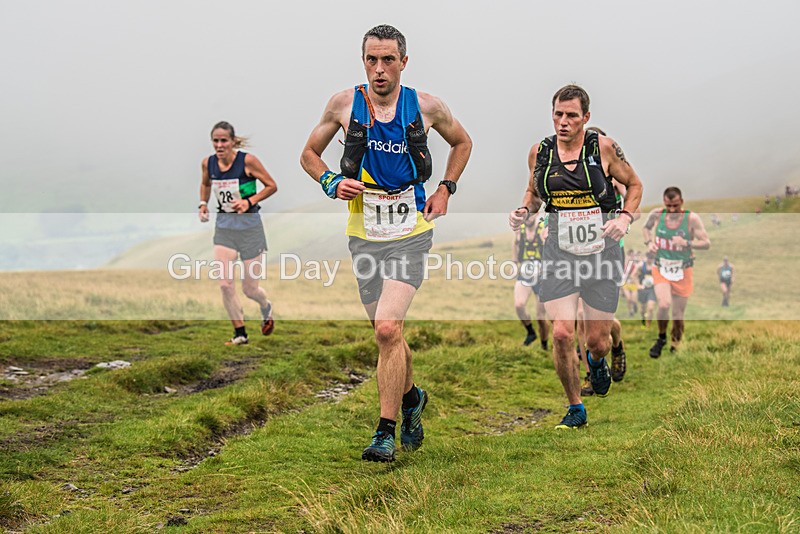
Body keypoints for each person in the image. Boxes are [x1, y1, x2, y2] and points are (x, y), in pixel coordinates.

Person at [300, 25, 472, 462]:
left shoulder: (426, 106)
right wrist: (330, 181)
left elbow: (462, 142)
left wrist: (446, 188)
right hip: (364, 233)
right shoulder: (343, 104)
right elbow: (308, 154)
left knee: (387, 328)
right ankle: (412, 397)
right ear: (364, 62)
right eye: (372, 60)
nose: (380, 69)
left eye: (388, 60)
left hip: (411, 231)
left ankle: (384, 431)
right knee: (387, 337)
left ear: (404, 62)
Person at [509, 85, 643, 429]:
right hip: (559, 253)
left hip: (602, 253)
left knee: (595, 342)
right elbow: (534, 191)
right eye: (558, 114)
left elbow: (635, 185)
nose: (563, 122)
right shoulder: (540, 152)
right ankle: (575, 406)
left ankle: (598, 362)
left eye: (571, 115)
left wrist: (624, 217)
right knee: (562, 334)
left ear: (586, 117)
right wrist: (525, 209)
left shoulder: (605, 149)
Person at [199, 121, 278, 345]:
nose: (219, 145)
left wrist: (248, 201)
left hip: (250, 230)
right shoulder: (208, 163)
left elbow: (271, 186)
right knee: (225, 284)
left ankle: (266, 306)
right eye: (215, 140)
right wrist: (203, 204)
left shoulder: (247, 161)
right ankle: (240, 333)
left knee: (250, 289)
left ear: (233, 141)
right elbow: (205, 184)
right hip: (224, 229)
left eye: (224, 140)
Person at [643, 187, 711, 357]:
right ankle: (661, 338)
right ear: (664, 203)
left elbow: (706, 243)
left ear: (681, 202)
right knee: (664, 304)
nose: (672, 210)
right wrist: (648, 243)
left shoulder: (692, 219)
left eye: (675, 205)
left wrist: (686, 242)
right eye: (668, 205)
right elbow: (646, 228)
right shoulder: (657, 214)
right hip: (661, 266)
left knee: (678, 315)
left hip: (683, 269)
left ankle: (675, 344)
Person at [512, 208, 549, 351]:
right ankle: (530, 332)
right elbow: (515, 245)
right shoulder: (519, 231)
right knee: (519, 305)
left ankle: (544, 345)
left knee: (541, 316)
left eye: (531, 215)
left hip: (541, 276)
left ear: (537, 215)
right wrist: (514, 263)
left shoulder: (542, 230)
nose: (528, 218)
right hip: (525, 273)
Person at [635, 252, 657, 327]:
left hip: (652, 290)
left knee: (650, 308)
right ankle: (643, 320)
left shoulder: (656, 265)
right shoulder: (641, 265)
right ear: (646, 257)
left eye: (652, 258)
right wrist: (638, 285)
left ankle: (648, 325)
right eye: (649, 258)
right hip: (643, 289)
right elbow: (634, 275)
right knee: (643, 309)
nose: (650, 260)